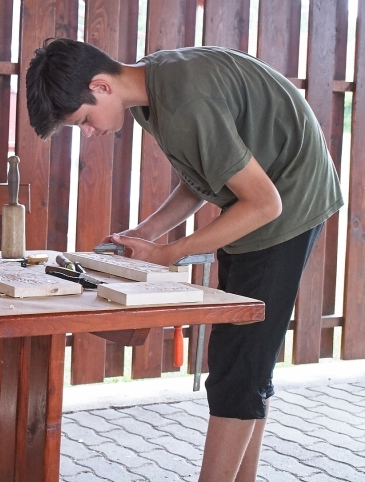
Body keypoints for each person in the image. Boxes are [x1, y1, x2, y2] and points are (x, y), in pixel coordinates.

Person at [25, 38, 343, 482]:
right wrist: (147, 233)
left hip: (286, 201)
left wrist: (173, 252)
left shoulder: (184, 102)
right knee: (247, 362)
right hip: (262, 195)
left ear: (101, 86)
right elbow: (204, 177)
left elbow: (265, 204)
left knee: (238, 368)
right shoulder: (150, 88)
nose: (90, 133)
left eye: (82, 121)